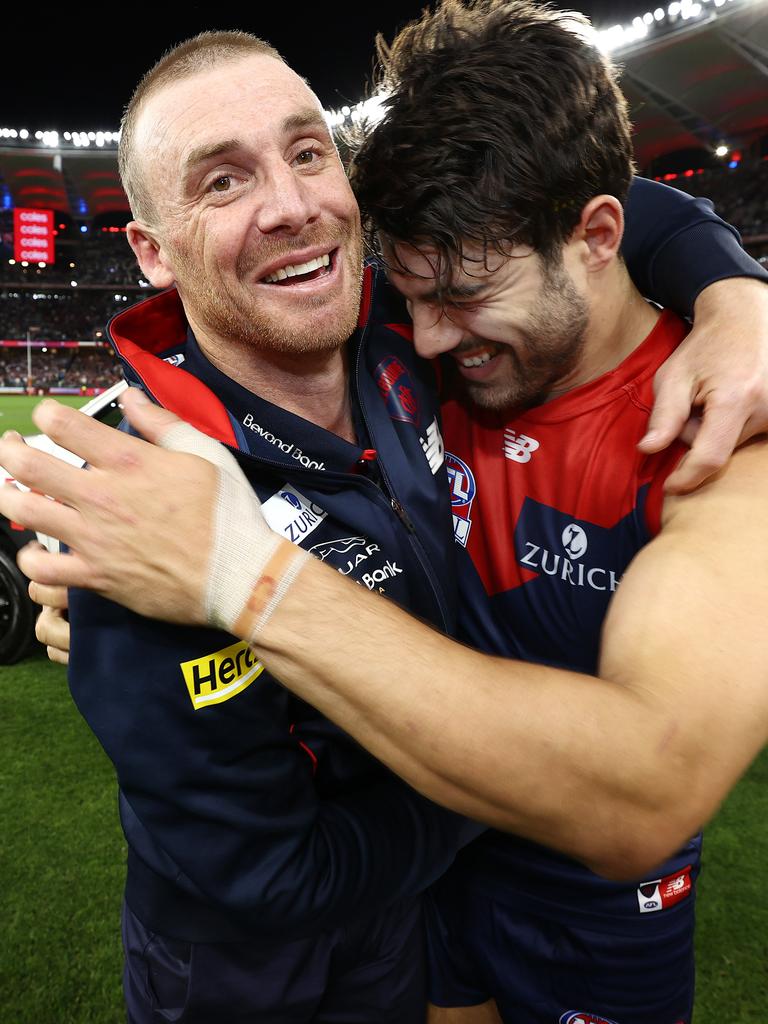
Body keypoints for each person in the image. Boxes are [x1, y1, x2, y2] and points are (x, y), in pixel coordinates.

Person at [3, 9, 768, 1024]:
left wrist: (736, 292)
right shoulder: (138, 504)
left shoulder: (401, 323)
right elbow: (267, 874)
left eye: (307, 151)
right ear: (150, 249)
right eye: (222, 179)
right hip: (258, 972)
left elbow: (582, 200)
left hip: (473, 927)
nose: (291, 207)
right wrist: (501, 801)